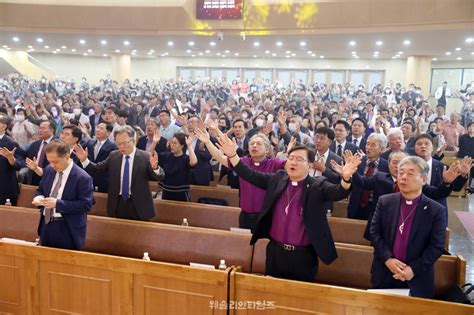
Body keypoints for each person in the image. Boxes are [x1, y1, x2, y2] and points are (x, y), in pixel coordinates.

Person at [217, 134, 362, 282]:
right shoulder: (277, 179)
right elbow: (250, 175)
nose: (293, 162)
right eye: (291, 158)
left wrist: (346, 178)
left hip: (303, 256)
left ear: (310, 165)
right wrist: (233, 155)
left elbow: (339, 192)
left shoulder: (317, 186)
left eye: (299, 160)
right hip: (275, 252)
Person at [370, 156, 447, 298]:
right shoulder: (385, 201)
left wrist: (412, 269)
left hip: (417, 277)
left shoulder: (436, 210)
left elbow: (436, 246)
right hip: (385, 272)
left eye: (410, 173)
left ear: (424, 179)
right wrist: (388, 259)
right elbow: (374, 233)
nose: (403, 177)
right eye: (401, 173)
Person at [195, 126, 286, 230]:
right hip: (245, 215)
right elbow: (220, 157)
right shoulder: (242, 162)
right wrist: (207, 142)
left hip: (267, 216)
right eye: (252, 144)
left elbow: (291, 164)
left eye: (258, 144)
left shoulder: (274, 164)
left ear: (267, 149)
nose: (254, 146)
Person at [74, 125, 165, 221]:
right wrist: (84, 160)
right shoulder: (114, 156)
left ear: (133, 140)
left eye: (124, 143)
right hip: (118, 203)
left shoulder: (145, 156)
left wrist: (155, 168)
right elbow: (97, 169)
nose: (121, 147)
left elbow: (160, 177)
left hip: (139, 204)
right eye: (118, 143)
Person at [32, 140, 93, 250]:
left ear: (67, 156)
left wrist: (58, 204)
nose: (52, 165)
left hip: (67, 228)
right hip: (46, 224)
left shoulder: (83, 178)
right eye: (49, 161)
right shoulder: (49, 170)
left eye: (55, 162)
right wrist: (38, 197)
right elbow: (41, 189)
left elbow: (86, 205)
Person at [346, 133, 389, 220]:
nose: (368, 147)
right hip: (355, 205)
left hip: (375, 207)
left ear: (382, 149)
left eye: (373, 145)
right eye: (367, 144)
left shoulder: (387, 166)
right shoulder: (357, 162)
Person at [153, 132, 197, 201]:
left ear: (182, 146)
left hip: (181, 194)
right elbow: (148, 154)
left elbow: (194, 162)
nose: (172, 145)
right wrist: (154, 142)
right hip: (166, 192)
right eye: (171, 143)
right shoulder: (166, 155)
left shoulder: (185, 158)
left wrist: (189, 145)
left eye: (175, 143)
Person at [84, 122, 116, 192]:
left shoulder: (113, 147)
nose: (97, 130)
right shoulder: (90, 143)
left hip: (103, 182)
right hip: (87, 179)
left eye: (101, 128)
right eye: (97, 127)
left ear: (108, 133)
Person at [23, 120, 56, 185]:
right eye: (39, 128)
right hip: (33, 176)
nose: (40, 130)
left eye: (43, 128)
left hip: (49, 178)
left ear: (52, 130)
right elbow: (24, 156)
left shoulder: (57, 144)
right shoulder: (35, 144)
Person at [0, 115, 22, 205]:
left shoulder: (10, 143)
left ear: (4, 126)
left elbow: (19, 164)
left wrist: (10, 158)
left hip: (4, 188)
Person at [457, 121, 474, 187]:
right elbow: (457, 145)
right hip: (462, 158)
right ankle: (460, 188)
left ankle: (468, 188)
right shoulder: (463, 137)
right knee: (461, 173)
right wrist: (456, 137)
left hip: (472, 160)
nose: (471, 128)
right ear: (467, 128)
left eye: (473, 126)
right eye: (470, 126)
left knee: (470, 174)